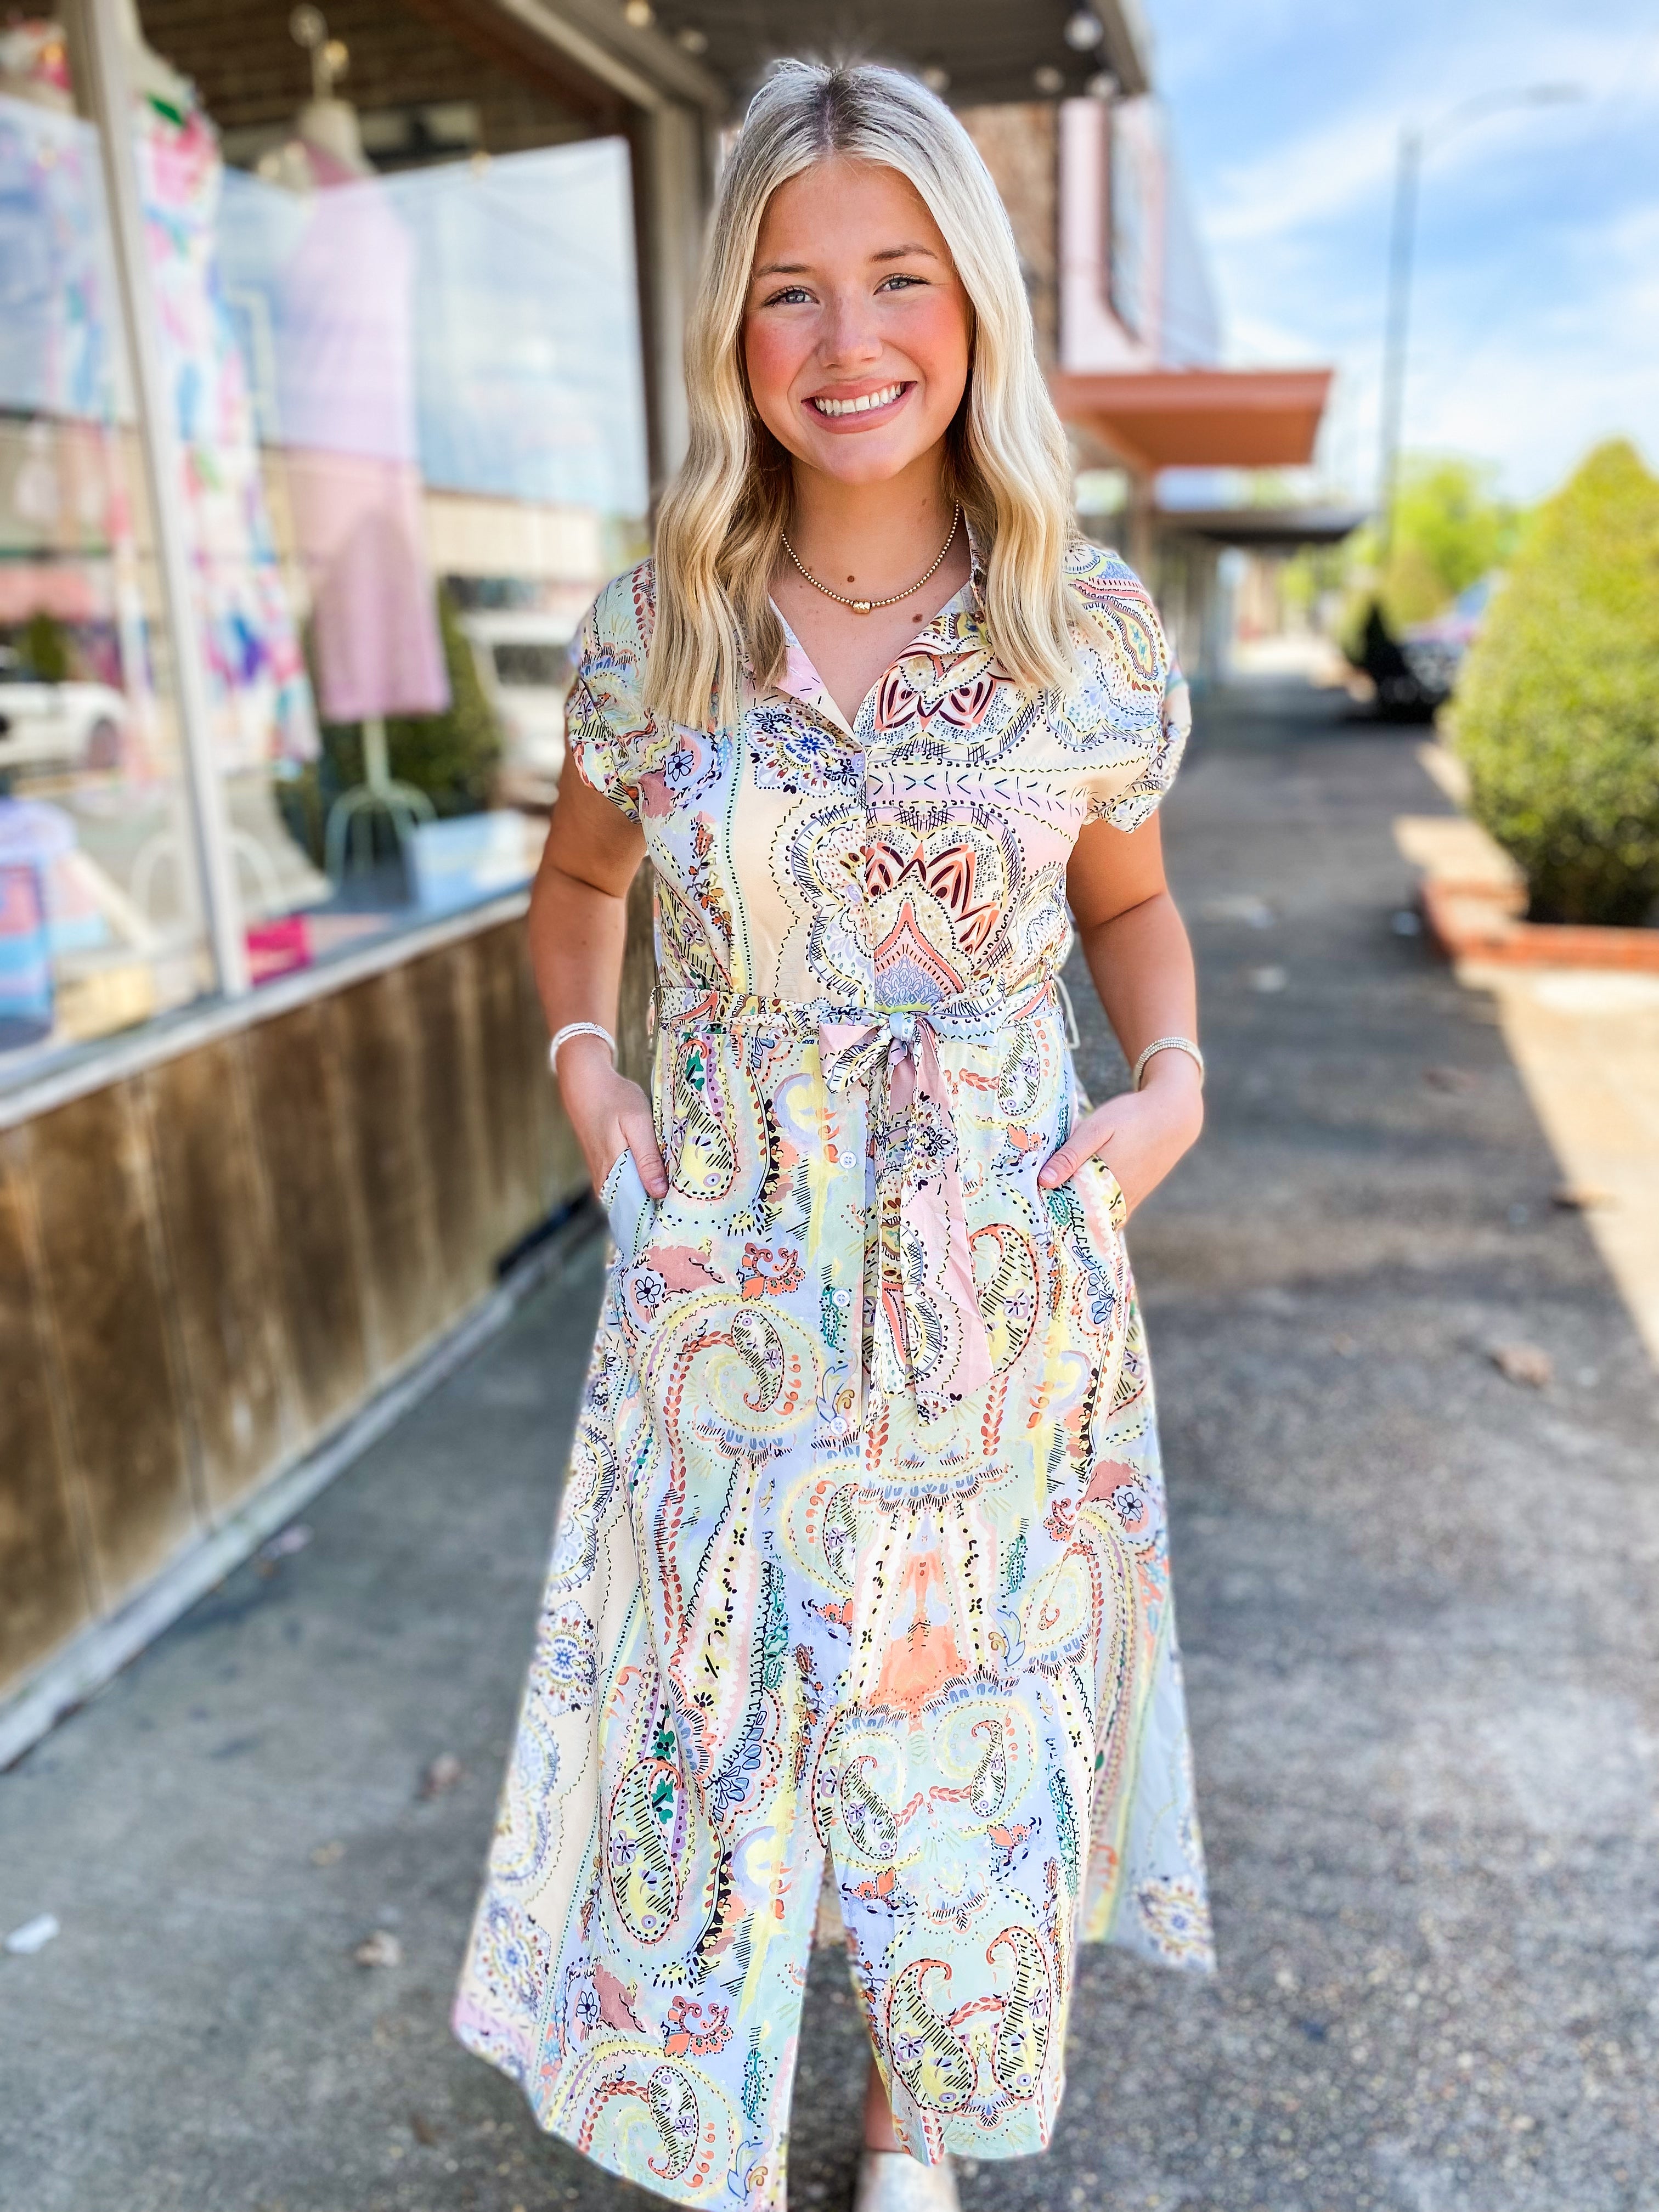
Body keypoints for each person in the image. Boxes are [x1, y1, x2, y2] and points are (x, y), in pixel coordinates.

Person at [453, 58, 1214, 2212]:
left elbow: (1131, 907)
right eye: (791, 292)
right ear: (733, 331)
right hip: (727, 1269)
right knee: (720, 1725)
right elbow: (581, 889)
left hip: (996, 1282)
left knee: (945, 1720)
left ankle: (904, 2130)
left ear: (973, 299)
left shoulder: (1084, 630)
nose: (849, 341)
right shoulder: (655, 631)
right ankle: (706, 2122)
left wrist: (1168, 1090)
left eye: (898, 277)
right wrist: (587, 1075)